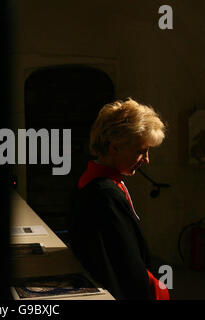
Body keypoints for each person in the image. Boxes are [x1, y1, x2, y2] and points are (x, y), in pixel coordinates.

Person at [70, 98, 170, 300]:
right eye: (141, 151)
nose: (147, 159)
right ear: (114, 147)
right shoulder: (104, 193)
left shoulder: (97, 181)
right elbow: (125, 264)